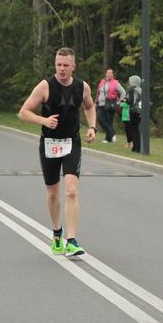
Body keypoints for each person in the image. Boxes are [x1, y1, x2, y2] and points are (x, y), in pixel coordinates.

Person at [18, 47, 96, 257]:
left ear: (73, 66)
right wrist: (44, 120)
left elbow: (89, 107)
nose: (61, 69)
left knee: (71, 190)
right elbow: (23, 112)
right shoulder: (45, 86)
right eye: (58, 64)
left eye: (65, 65)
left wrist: (92, 127)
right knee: (53, 193)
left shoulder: (82, 87)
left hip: (72, 143)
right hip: (49, 143)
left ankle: (71, 240)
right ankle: (56, 232)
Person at [94, 68, 125, 143]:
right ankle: (112, 133)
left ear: (112, 74)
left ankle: (108, 139)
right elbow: (98, 92)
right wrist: (96, 101)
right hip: (100, 104)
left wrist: (119, 102)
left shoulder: (115, 83)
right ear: (106, 74)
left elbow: (123, 92)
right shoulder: (102, 81)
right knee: (100, 119)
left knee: (109, 122)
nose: (109, 74)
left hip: (110, 104)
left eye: (110, 73)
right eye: (108, 73)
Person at [126, 75, 142, 152]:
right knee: (136, 129)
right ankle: (137, 147)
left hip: (133, 111)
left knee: (133, 129)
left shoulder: (132, 90)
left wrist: (125, 100)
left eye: (130, 81)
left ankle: (136, 148)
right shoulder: (140, 89)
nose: (129, 82)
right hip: (140, 111)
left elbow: (132, 101)